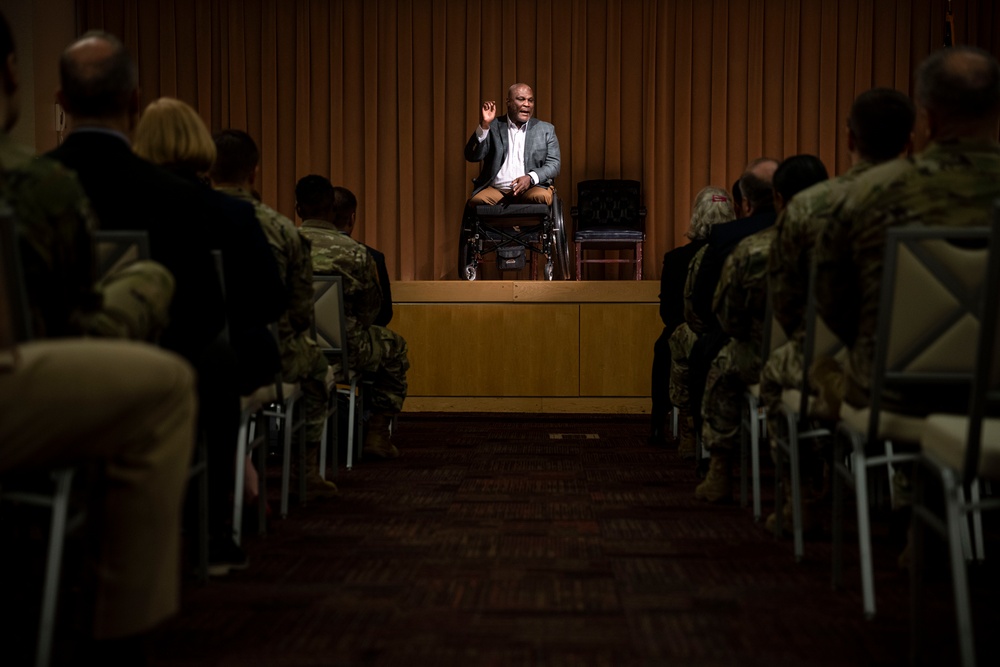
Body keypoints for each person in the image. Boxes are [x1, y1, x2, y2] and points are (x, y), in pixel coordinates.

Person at [0, 11, 197, 661]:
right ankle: (120, 634)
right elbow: (76, 322)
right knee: (165, 378)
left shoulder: (54, 173)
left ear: (58, 103)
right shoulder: (38, 188)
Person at [46, 33, 262, 575]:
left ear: (61, 101)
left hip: (45, 369)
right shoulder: (178, 197)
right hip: (158, 369)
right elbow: (203, 310)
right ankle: (212, 530)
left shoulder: (35, 183)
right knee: (213, 358)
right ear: (135, 100)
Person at [815, 46, 1000, 419]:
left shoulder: (868, 193)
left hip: (895, 393)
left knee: (821, 369)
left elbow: (830, 301)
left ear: (927, 120)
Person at [759, 89, 915, 531]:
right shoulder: (957, 197)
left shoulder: (813, 206)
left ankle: (801, 496)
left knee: (775, 372)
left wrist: (844, 348)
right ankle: (917, 511)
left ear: (849, 139)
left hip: (860, 365)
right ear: (912, 140)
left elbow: (793, 302)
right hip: (967, 374)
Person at [209, 128, 336, 498]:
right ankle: (305, 471)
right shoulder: (281, 229)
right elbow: (297, 311)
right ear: (254, 173)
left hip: (192, 349)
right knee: (317, 372)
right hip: (258, 353)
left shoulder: (182, 215)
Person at [695, 155, 829, 503]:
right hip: (845, 360)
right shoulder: (853, 243)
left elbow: (729, 318)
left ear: (779, 199)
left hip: (773, 358)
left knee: (725, 366)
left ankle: (720, 469)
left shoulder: (753, 249)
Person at [295, 176, 411, 459]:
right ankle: (377, 434)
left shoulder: (276, 244)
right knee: (394, 347)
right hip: (341, 353)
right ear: (332, 211)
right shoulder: (357, 253)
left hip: (285, 352)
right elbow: (371, 312)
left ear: (299, 209)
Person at [679, 158, 779, 465]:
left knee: (705, 359)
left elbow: (707, 303)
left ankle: (715, 462)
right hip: (812, 353)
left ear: (744, 203)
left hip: (748, 348)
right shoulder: (813, 233)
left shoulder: (727, 238)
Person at [650, 186, 736, 445]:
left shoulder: (675, 259)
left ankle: (657, 423)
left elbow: (667, 312)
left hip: (686, 334)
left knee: (663, 347)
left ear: (696, 216)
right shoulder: (739, 255)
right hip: (731, 338)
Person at [464, 83, 561, 207]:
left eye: (530, 100)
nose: (527, 104)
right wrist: (484, 126)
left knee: (540, 197)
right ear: (508, 102)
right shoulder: (493, 126)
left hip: (532, 189)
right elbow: (472, 156)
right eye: (521, 99)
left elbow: (554, 164)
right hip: (497, 190)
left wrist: (530, 178)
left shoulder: (546, 129)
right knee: (477, 201)